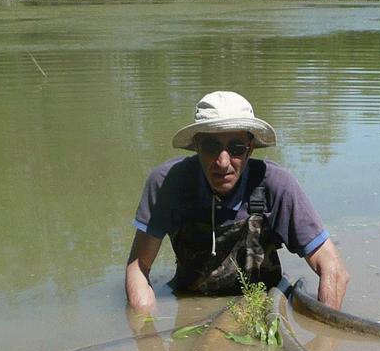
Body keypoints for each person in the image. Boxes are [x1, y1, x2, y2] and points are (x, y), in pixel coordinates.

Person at [125, 91, 349, 312]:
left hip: (263, 304)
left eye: (236, 148)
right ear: (197, 145)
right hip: (190, 300)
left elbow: (333, 268)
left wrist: (326, 339)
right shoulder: (167, 184)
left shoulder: (276, 185)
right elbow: (139, 267)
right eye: (211, 146)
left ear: (250, 148)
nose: (223, 162)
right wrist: (145, 330)